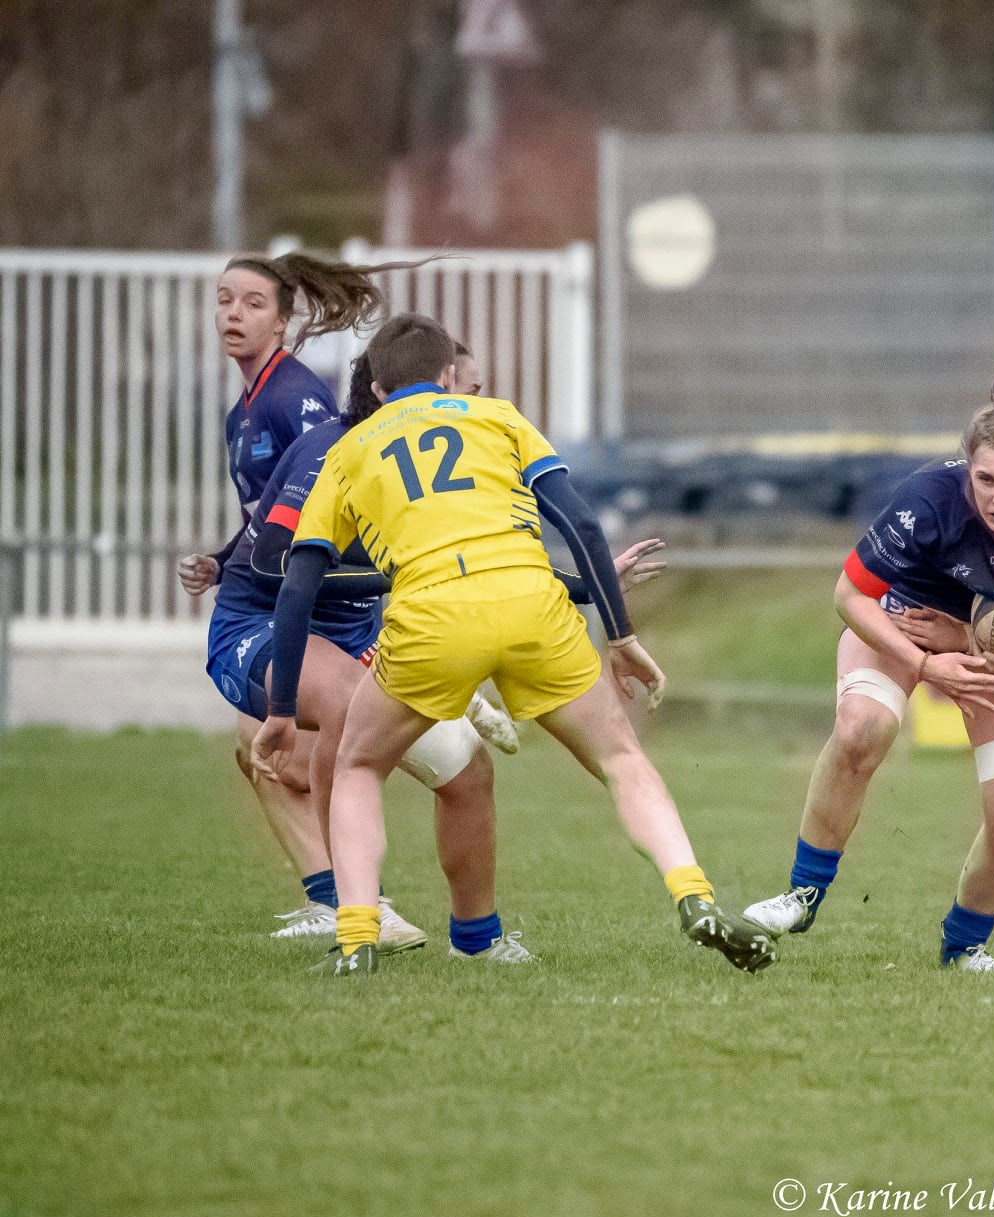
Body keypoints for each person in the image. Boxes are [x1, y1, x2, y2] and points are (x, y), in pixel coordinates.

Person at [252, 313, 771, 977]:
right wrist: (622, 636)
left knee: (356, 766)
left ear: (377, 390)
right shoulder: (496, 416)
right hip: (534, 607)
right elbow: (578, 519)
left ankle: (356, 940)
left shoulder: (351, 449)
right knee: (620, 757)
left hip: (432, 617)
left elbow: (297, 584)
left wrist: (277, 712)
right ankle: (693, 895)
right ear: (448, 376)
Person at [742, 319, 994, 971]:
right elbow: (849, 595)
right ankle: (802, 893)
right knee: (862, 727)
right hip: (904, 629)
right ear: (967, 470)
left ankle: (965, 946)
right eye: (987, 481)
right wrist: (926, 663)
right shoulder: (927, 500)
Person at [180, 250, 431, 947]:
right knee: (261, 752)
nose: (233, 313)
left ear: (284, 322)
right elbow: (274, 517)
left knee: (343, 732)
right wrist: (223, 558)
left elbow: (334, 489)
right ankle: (341, 901)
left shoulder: (301, 400)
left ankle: (364, 901)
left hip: (323, 612)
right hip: (281, 608)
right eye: (224, 299)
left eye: (252, 303)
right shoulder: (245, 411)